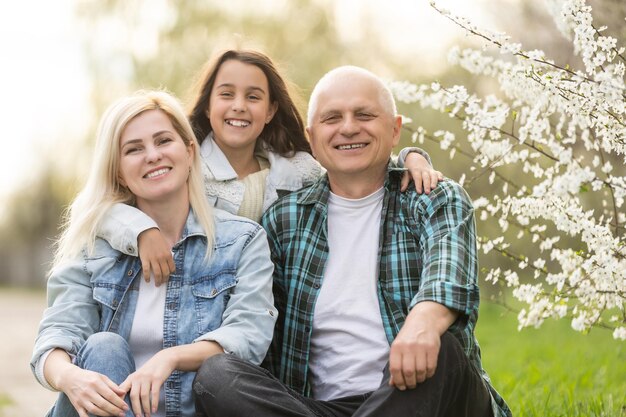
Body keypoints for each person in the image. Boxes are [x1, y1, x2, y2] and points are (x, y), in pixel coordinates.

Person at [193, 66, 512, 417]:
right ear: (312, 140)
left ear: (394, 130)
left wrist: (423, 323)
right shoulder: (285, 220)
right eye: (333, 118)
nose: (348, 127)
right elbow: (262, 331)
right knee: (217, 375)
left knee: (443, 350)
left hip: (421, 394)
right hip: (319, 408)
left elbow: (448, 277)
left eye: (364, 115)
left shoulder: (435, 198)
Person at [97, 49, 443, 286]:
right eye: (226, 95)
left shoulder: (299, 170)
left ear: (271, 109)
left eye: (253, 97)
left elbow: (355, 168)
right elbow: (104, 208)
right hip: (195, 299)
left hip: (272, 305)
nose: (239, 107)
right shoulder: (181, 166)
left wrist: (411, 157)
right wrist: (141, 230)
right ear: (207, 106)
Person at [30, 90, 277, 417]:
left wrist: (170, 357)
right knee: (105, 348)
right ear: (119, 171)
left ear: (189, 152)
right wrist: (70, 377)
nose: (152, 155)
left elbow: (247, 338)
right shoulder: (93, 246)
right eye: (134, 149)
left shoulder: (242, 241)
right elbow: (57, 337)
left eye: (163, 141)